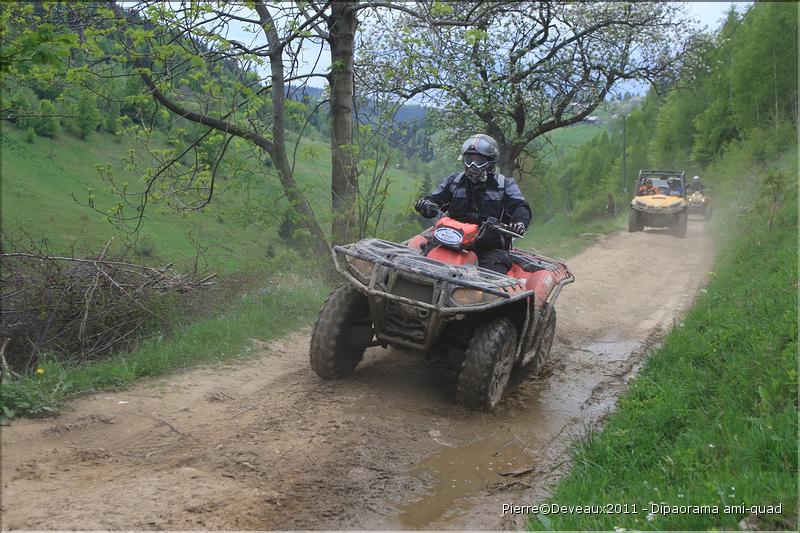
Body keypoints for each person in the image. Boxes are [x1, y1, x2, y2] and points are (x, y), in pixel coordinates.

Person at [414, 134, 531, 274]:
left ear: (490, 161)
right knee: (418, 265)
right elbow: (436, 199)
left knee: (492, 282)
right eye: (469, 159)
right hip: (450, 241)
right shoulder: (455, 182)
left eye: (478, 160)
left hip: (489, 249)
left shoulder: (504, 185)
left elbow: (520, 206)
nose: (472, 165)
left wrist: (519, 222)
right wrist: (426, 205)